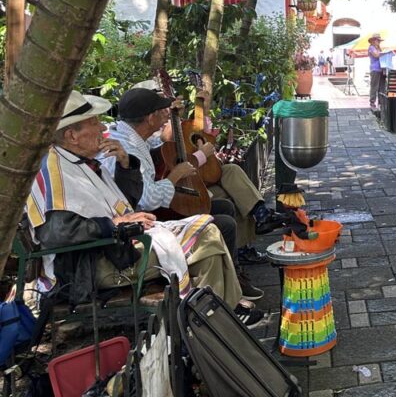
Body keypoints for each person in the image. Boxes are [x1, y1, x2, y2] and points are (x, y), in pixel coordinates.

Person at [26, 91, 263, 325]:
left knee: (209, 229)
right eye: (95, 122)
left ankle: (215, 316)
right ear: (71, 136)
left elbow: (123, 203)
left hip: (114, 249)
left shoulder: (78, 162)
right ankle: (211, 319)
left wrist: (126, 166)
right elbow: (56, 233)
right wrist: (114, 224)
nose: (102, 128)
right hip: (92, 266)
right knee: (209, 235)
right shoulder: (54, 170)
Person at [101, 88, 267, 301]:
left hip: (161, 205)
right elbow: (146, 199)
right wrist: (175, 176)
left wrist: (184, 116)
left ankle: (235, 271)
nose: (100, 128)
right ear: (150, 117)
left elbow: (166, 142)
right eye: (162, 111)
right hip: (146, 219)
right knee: (223, 221)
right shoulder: (126, 146)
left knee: (225, 204)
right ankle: (225, 295)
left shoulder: (134, 136)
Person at [368, 33, 385, 110]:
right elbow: (376, 55)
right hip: (375, 69)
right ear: (374, 40)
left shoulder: (378, 48)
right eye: (378, 40)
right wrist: (384, 54)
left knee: (382, 87)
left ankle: (381, 102)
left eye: (379, 40)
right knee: (374, 86)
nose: (379, 42)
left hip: (381, 69)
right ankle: (372, 102)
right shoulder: (371, 48)